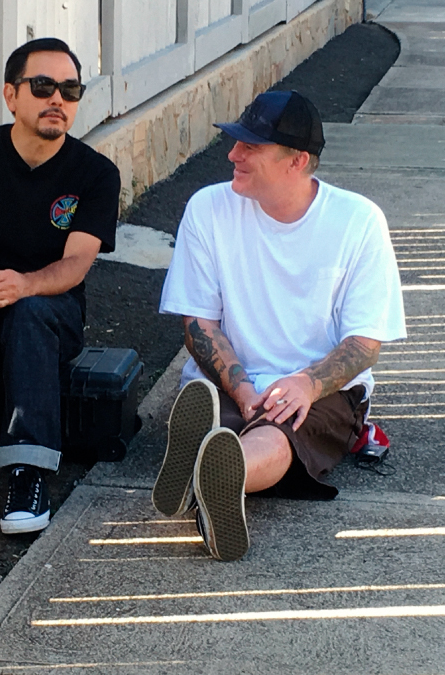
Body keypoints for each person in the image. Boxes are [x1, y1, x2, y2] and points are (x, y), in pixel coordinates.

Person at [152, 90, 406, 561]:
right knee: (231, 421)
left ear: (297, 161)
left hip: (322, 389)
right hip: (229, 383)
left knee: (279, 431)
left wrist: (306, 384)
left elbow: (364, 343)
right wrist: (243, 389)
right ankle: (215, 466)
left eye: (250, 146)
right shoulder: (209, 208)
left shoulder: (358, 221)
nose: (233, 154)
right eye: (235, 142)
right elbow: (199, 323)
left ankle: (213, 472)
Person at [0, 38, 121, 534]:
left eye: (70, 90)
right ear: (11, 95)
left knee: (30, 310)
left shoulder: (96, 174)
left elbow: (75, 264)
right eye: (43, 86)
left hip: (53, 311)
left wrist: (26, 284)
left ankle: (29, 469)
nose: (58, 99)